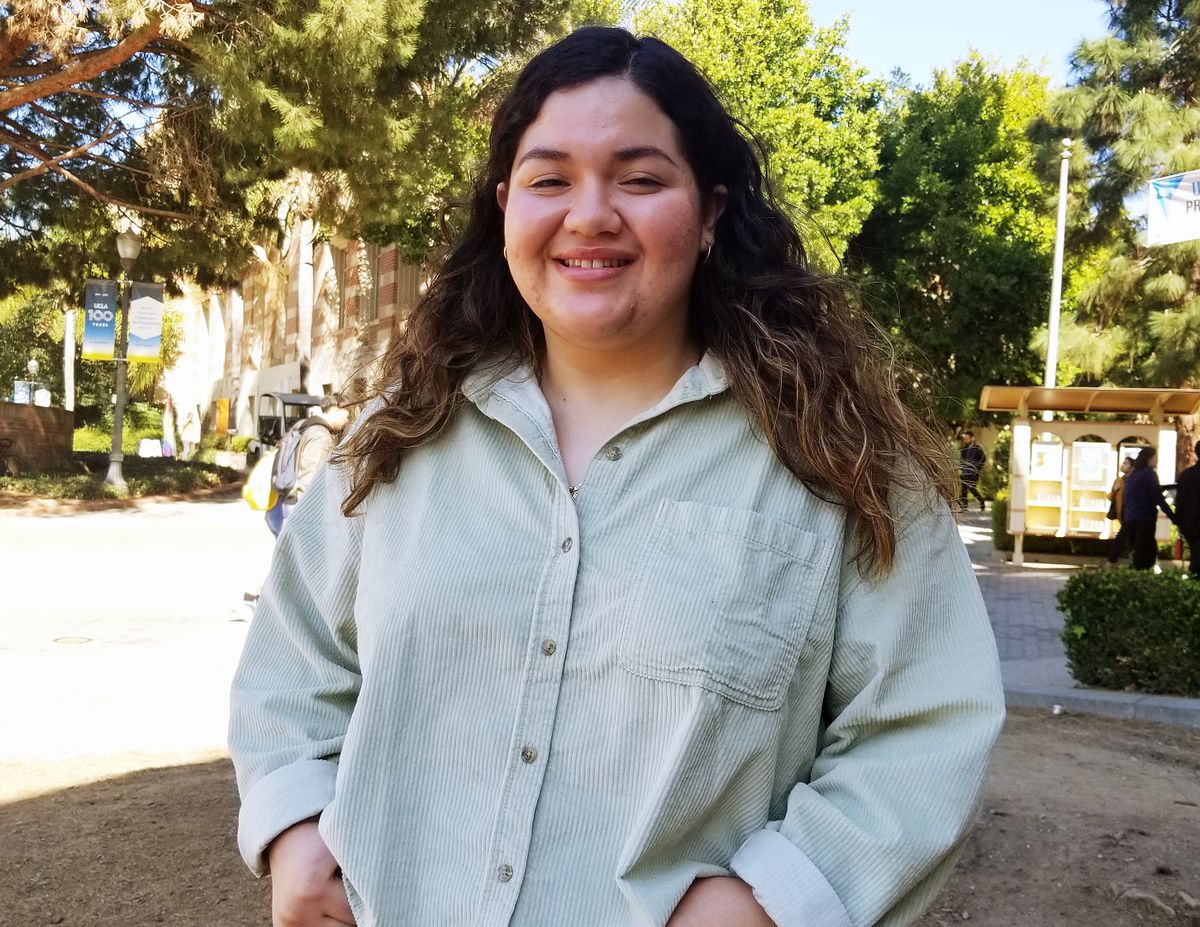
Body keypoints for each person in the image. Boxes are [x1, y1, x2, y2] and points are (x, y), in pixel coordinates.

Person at [229, 28, 1003, 927]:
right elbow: (294, 662)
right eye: (549, 179)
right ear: (505, 207)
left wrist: (775, 899)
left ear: (709, 213)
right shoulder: (397, 437)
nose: (590, 215)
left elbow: (924, 722)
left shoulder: (839, 454)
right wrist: (295, 827)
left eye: (639, 179)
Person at [263, 394, 351, 538]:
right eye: (346, 415)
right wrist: (309, 515)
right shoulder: (321, 435)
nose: (347, 421)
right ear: (336, 410)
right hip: (299, 506)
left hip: (283, 500)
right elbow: (310, 478)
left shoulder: (303, 425)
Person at [1121, 446, 1176, 570]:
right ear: (1149, 458)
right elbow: (1157, 497)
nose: (1157, 460)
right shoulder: (1149, 473)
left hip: (1130, 519)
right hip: (1145, 519)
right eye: (1155, 457)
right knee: (1147, 552)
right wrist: (1172, 516)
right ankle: (1141, 575)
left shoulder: (1133, 475)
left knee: (1138, 551)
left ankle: (1134, 574)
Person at [1174, 440, 1200, 574]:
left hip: (1189, 523)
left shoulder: (1186, 475)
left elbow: (1180, 500)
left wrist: (1178, 520)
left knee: (1196, 552)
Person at [1105, 456, 1134, 565]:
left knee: (1124, 537)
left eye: (1126, 463)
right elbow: (1111, 497)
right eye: (1123, 463)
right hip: (1123, 513)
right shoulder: (1119, 480)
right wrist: (1114, 491)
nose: (1123, 465)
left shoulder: (1134, 480)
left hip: (1130, 514)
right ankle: (1132, 561)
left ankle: (1112, 560)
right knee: (1127, 538)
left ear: (1132, 467)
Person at [958, 430, 986, 512]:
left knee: (971, 488)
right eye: (965, 438)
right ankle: (964, 506)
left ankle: (981, 500)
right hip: (965, 471)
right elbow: (962, 459)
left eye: (967, 438)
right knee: (964, 489)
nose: (965, 440)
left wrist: (977, 469)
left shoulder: (977, 448)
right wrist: (962, 468)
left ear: (972, 438)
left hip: (973, 472)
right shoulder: (964, 448)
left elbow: (983, 459)